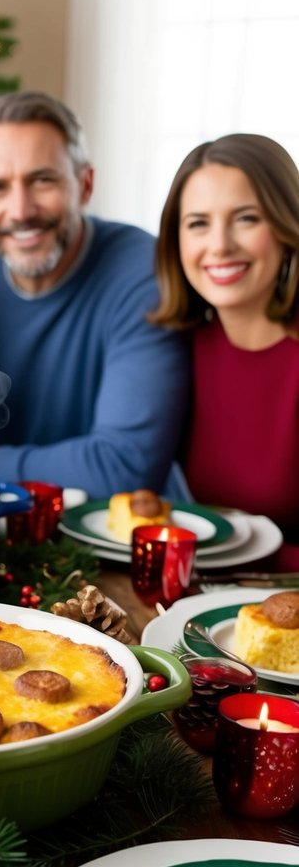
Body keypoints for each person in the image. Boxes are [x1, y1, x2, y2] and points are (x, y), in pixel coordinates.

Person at [0, 91, 189, 498]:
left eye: (42, 180)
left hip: (118, 539)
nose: (21, 210)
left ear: (85, 185)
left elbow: (125, 467)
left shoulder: (143, 271)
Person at [152, 133, 299, 568]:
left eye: (246, 218)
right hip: (211, 607)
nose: (219, 245)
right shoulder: (176, 348)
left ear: (286, 226)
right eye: (198, 223)